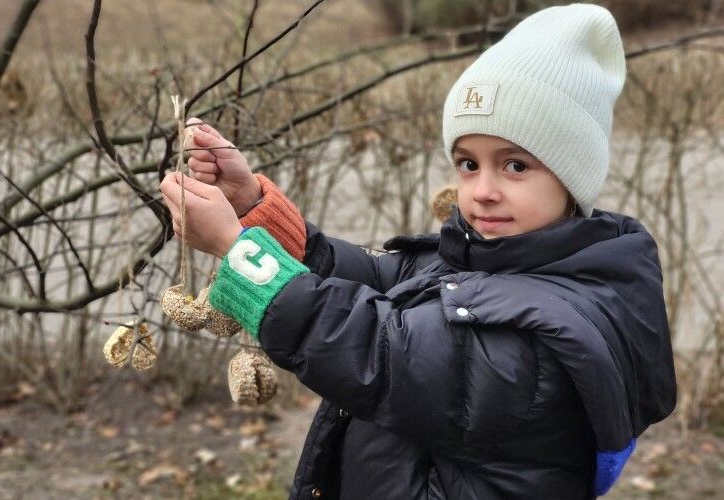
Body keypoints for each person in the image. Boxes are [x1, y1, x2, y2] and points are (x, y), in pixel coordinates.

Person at [159, 3, 676, 499]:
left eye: (515, 165)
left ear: (573, 179)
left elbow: (377, 351)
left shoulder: (542, 341)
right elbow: (374, 278)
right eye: (468, 164)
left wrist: (236, 249)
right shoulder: (490, 258)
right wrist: (251, 205)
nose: (483, 190)